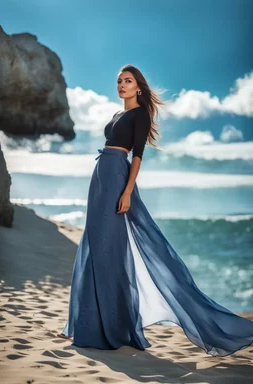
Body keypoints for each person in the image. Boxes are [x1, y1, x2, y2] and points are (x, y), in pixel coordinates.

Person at [57, 64, 253, 356]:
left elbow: (138, 156)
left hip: (116, 179)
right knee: (93, 247)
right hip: (100, 177)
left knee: (110, 250)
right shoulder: (117, 115)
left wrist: (126, 192)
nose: (122, 85)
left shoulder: (140, 115)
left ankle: (113, 329)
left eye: (128, 81)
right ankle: (84, 326)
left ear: (139, 87)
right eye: (119, 81)